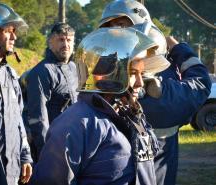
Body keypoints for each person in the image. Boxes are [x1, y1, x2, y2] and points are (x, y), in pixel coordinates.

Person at [29, 27, 170, 185]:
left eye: (141, 74)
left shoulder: (131, 114)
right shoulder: (73, 126)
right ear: (111, 74)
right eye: (132, 73)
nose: (140, 83)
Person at [98, 0, 212, 185]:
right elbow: (201, 83)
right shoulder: (160, 92)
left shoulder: (100, 83)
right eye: (114, 28)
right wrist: (178, 48)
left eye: (121, 26)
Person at [0, 3, 33, 185]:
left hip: (13, 171)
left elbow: (18, 119)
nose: (14, 37)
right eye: (8, 30)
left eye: (14, 31)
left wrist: (25, 156)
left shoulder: (11, 74)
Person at [24, 22, 78, 162]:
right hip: (54, 147)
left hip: (77, 142)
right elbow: (38, 118)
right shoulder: (42, 71)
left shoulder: (75, 68)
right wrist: (47, 154)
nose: (66, 44)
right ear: (50, 43)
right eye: (61, 39)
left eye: (69, 40)